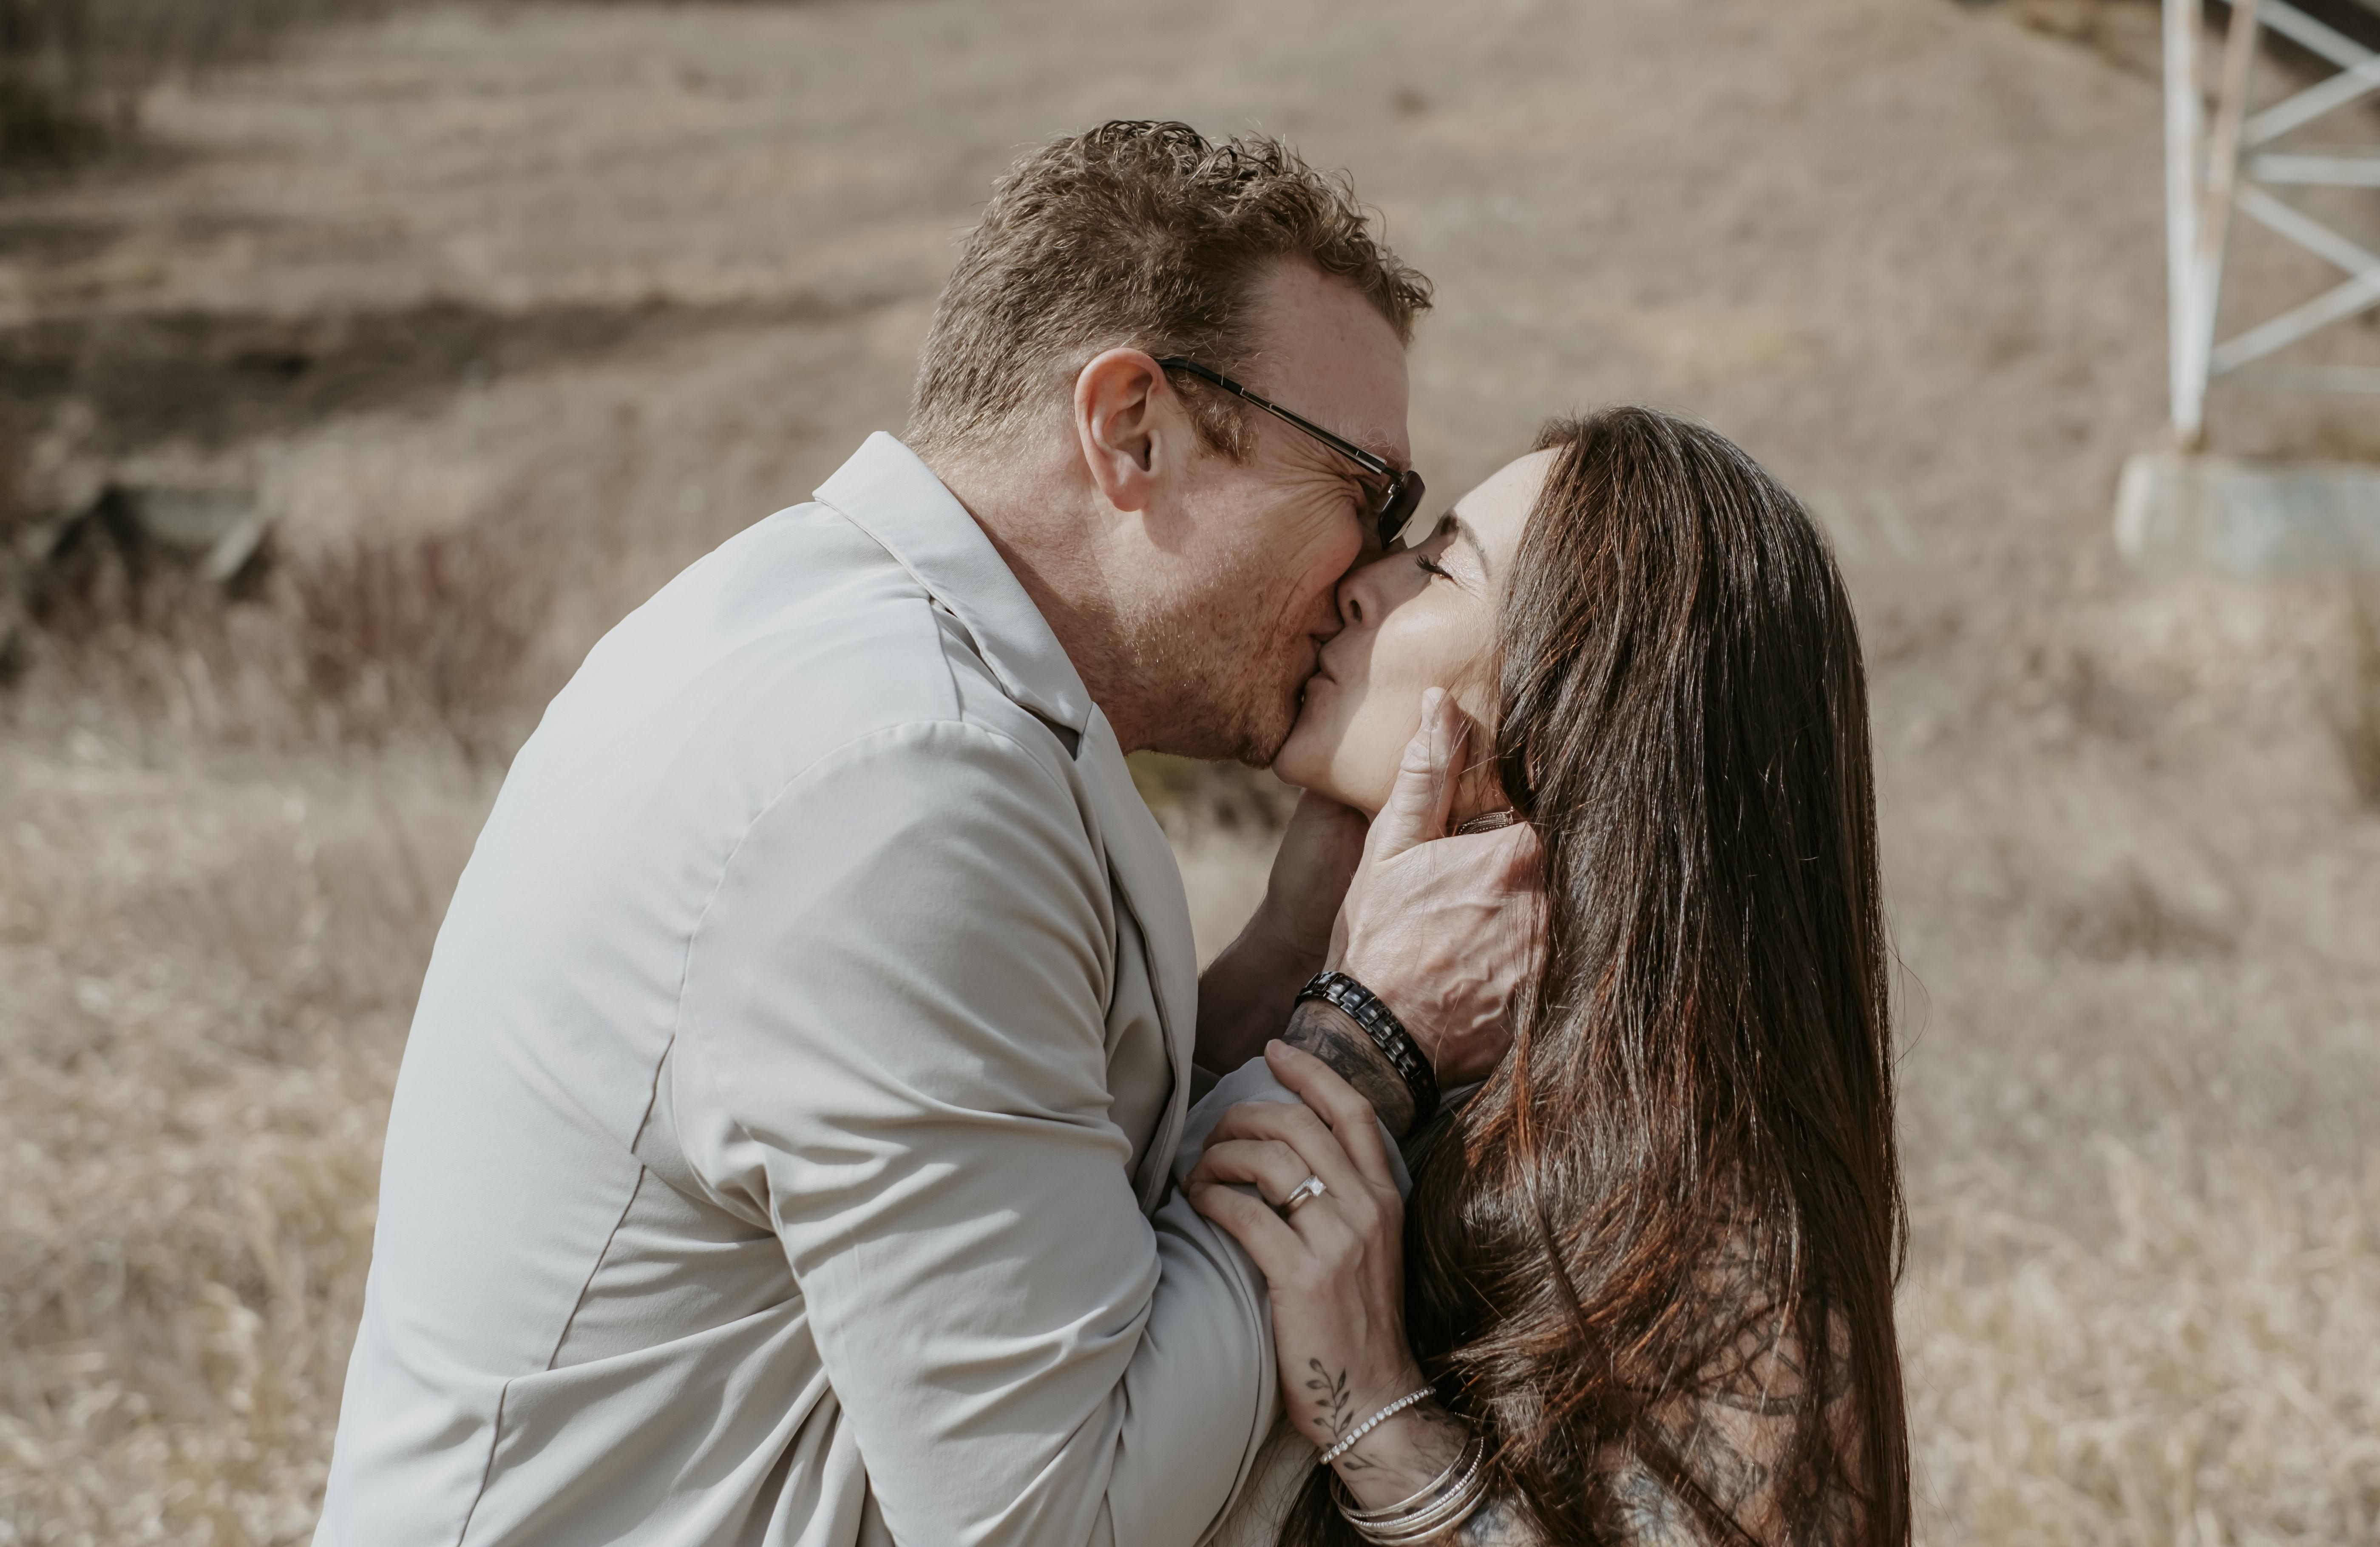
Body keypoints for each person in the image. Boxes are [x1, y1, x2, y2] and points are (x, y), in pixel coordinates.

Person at [311, 121, 1540, 1545]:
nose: (1376, 569)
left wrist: (1287, 960)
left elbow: (1045, 1185)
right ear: (1131, 428)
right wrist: (1370, 1041)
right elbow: (1058, 1515)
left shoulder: (836, 643)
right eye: (1370, 492)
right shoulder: (905, 781)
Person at [1184, 408, 1912, 1546]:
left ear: (1582, 719)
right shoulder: (1368, 1013)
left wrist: (1384, 1425)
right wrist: (1289, 959)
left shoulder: (1705, 1231)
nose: (1360, 585)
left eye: (1440, 568)